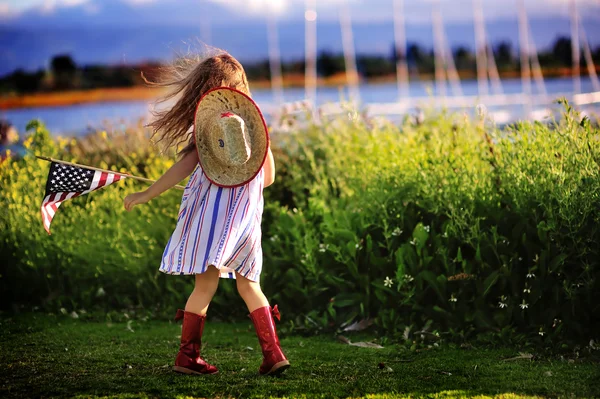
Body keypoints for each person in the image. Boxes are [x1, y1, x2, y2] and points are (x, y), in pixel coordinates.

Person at [122, 52, 289, 376]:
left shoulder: (209, 129)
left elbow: (181, 168)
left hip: (211, 222)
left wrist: (146, 194)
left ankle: (188, 357)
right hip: (244, 221)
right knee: (249, 284)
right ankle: (273, 354)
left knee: (204, 286)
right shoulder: (254, 128)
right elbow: (268, 178)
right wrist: (243, 183)